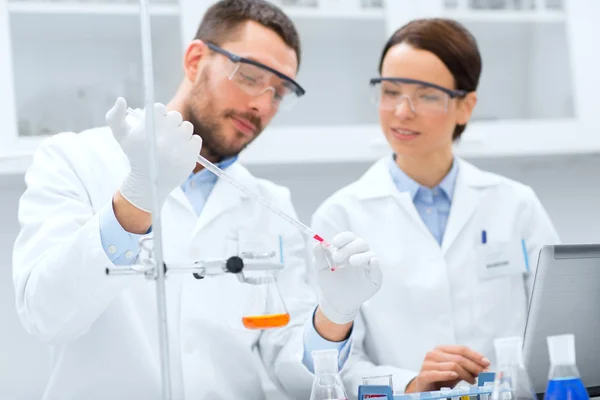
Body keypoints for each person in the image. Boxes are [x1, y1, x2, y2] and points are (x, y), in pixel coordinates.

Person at [11, 1, 382, 399]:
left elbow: (290, 374)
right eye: (251, 76)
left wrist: (335, 316)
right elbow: (46, 316)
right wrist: (136, 198)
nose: (262, 104)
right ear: (195, 60)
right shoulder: (74, 159)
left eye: (280, 92)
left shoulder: (269, 203)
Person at [311, 18, 560, 398]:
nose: (401, 112)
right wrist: (412, 383)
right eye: (390, 91)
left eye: (426, 95)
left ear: (465, 107)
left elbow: (555, 330)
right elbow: (334, 363)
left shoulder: (516, 205)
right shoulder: (341, 216)